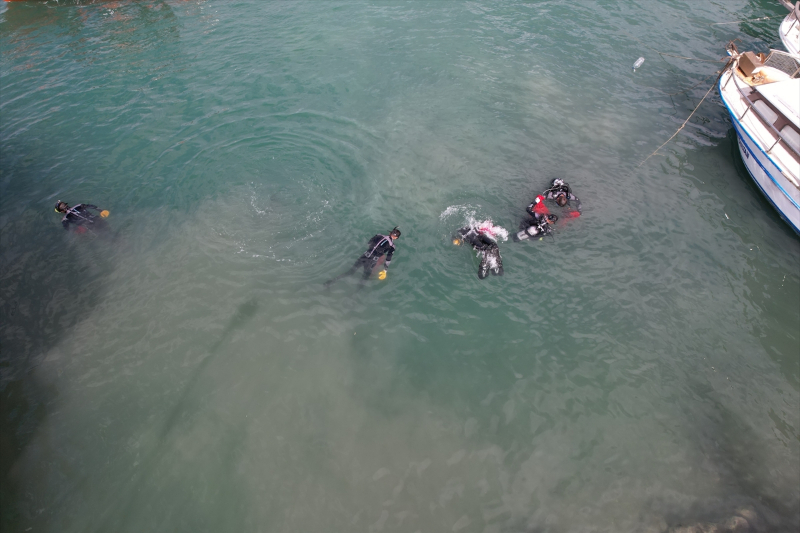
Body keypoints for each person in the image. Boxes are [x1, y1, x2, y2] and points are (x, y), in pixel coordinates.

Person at [325, 227, 400, 287]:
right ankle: (354, 296)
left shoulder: (379, 235)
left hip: (364, 256)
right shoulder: (392, 246)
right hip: (371, 261)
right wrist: (385, 270)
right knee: (364, 279)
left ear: (390, 233)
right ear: (396, 238)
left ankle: (330, 282)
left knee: (350, 272)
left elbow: (369, 243)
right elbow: (388, 259)